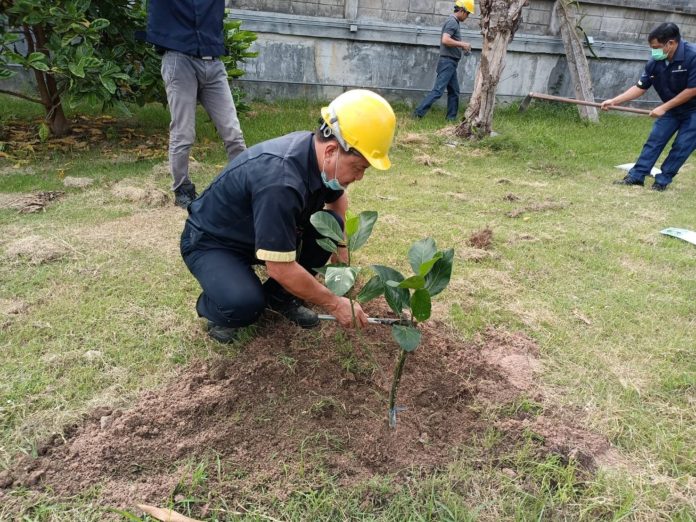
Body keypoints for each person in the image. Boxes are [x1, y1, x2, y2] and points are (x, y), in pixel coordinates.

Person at [180, 90, 397, 343]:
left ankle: (279, 297)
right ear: (331, 151)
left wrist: (341, 248)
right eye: (358, 168)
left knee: (331, 226)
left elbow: (336, 197)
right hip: (215, 241)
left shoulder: (315, 156)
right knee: (245, 304)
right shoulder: (280, 181)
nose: (359, 177)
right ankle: (221, 305)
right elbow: (280, 267)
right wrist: (334, 303)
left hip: (259, 232)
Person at [145, 0, 247, 208]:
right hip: (179, 60)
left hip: (213, 63)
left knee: (233, 132)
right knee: (183, 132)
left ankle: (245, 182)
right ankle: (182, 188)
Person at [603, 23, 696, 192]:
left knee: (682, 145)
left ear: (671, 43)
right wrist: (615, 100)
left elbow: (692, 90)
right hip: (673, 109)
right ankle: (636, 177)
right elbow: (641, 86)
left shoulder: (693, 56)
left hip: (693, 110)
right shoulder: (656, 61)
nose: (654, 51)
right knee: (655, 140)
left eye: (657, 47)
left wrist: (663, 107)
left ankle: (662, 181)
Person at [413, 0, 474, 121]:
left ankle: (450, 119)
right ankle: (417, 114)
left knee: (454, 91)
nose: (468, 17)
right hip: (448, 62)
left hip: (450, 63)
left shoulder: (454, 22)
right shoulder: (452, 22)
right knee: (438, 91)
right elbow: (445, 40)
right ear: (462, 11)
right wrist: (462, 44)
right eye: (468, 14)